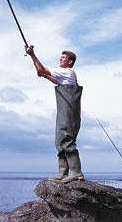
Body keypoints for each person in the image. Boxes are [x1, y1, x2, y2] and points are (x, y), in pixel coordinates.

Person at [25, 45, 84, 183]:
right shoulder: (65, 76)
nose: (60, 59)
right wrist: (44, 75)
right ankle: (63, 172)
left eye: (63, 57)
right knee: (59, 140)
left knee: (66, 138)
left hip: (69, 112)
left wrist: (32, 55)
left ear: (70, 61)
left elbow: (41, 69)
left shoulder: (67, 72)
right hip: (66, 111)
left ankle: (75, 171)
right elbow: (49, 76)